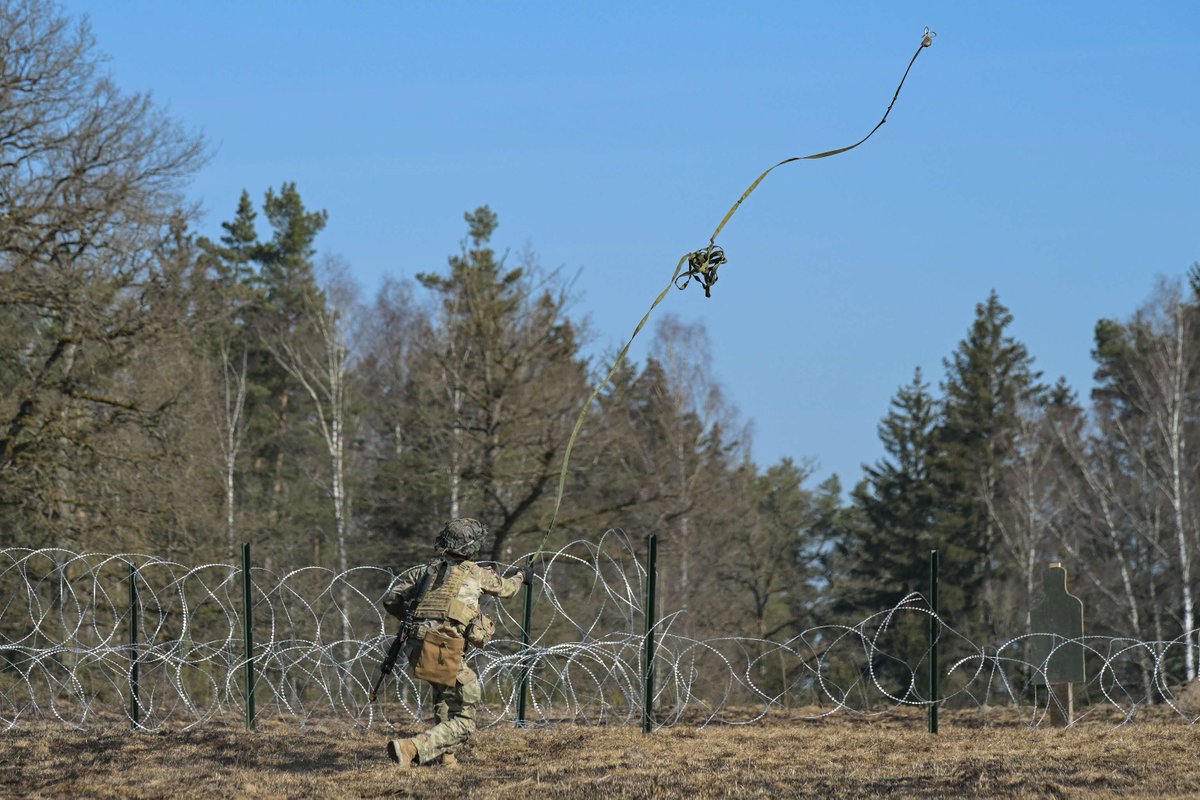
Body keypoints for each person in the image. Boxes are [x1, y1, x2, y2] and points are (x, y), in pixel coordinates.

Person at [383, 518, 527, 768]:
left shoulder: (424, 571)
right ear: (472, 546)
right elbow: (508, 590)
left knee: (443, 698)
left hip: (418, 646)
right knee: (466, 718)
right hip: (445, 648)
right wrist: (521, 577)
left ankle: (445, 758)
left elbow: (391, 599)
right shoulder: (476, 573)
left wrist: (412, 616)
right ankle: (412, 747)